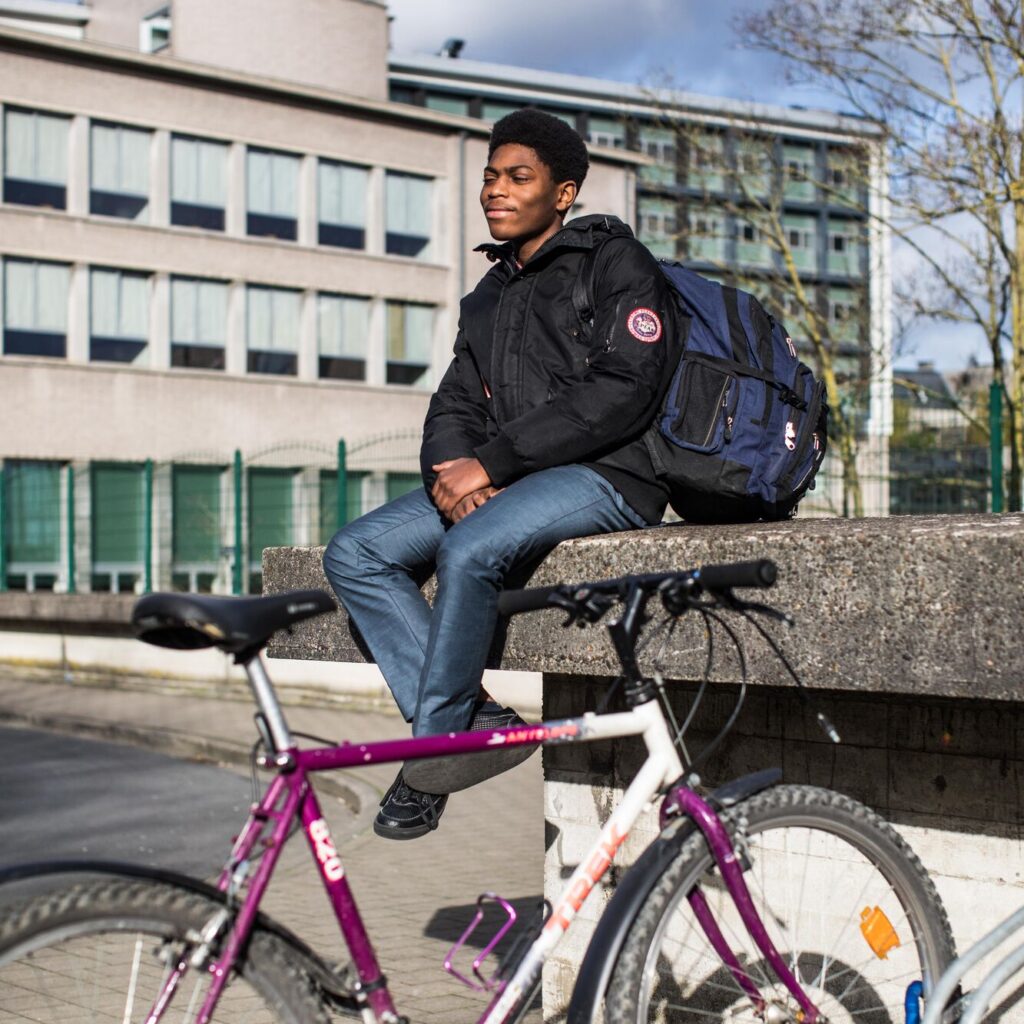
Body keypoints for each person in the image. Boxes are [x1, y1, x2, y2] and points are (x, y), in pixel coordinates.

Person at [323, 108, 682, 840]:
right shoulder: (489, 295)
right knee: (356, 553)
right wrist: (460, 473)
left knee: (471, 548)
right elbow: (454, 401)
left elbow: (624, 387)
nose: (496, 189)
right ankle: (469, 714)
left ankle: (436, 753)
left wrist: (492, 465)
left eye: (519, 177)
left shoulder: (614, 262)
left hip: (610, 475)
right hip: (514, 480)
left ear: (563, 192)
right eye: (490, 176)